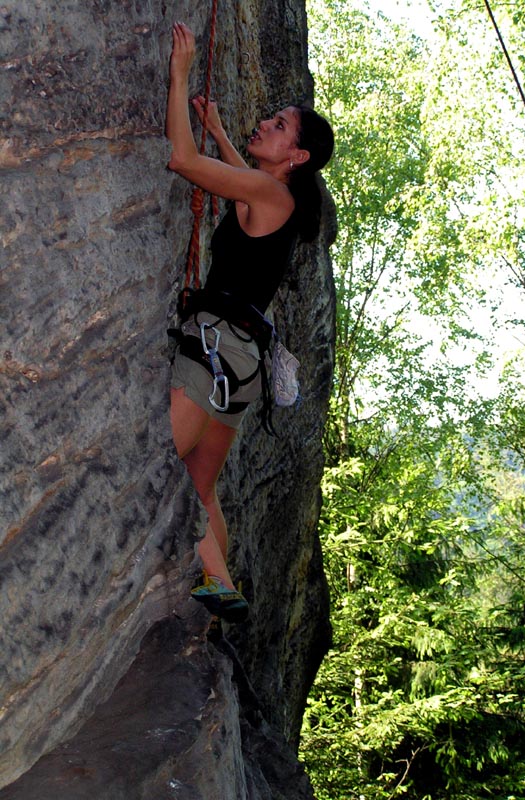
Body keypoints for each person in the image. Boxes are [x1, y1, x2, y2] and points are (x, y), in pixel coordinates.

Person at [166, 22, 334, 623]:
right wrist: (218, 130)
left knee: (161, 460)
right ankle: (221, 581)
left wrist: (180, 72)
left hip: (214, 352)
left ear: (297, 156)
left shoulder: (274, 195)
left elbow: (183, 162)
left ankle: (212, 582)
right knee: (200, 485)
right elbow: (243, 194)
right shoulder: (276, 199)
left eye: (280, 125)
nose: (266, 122)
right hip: (241, 366)